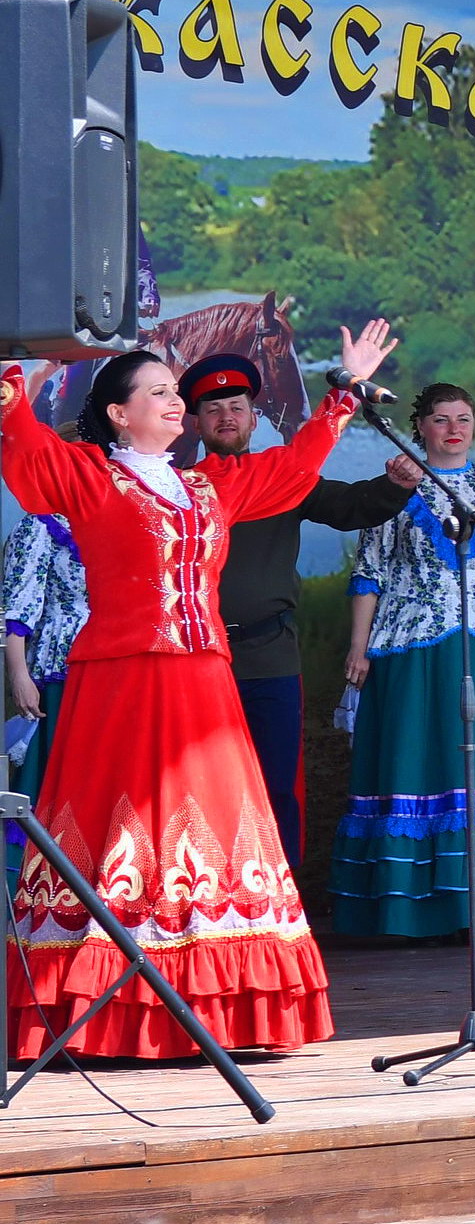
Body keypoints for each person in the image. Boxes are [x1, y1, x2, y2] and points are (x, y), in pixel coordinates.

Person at [0, 321, 393, 1059]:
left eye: (176, 393)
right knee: (120, 831)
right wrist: (23, 366)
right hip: (121, 680)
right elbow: (21, 444)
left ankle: (223, 1013)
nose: (177, 404)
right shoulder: (89, 476)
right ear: (119, 413)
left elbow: (296, 466)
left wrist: (341, 394)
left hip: (204, 683)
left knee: (217, 836)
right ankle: (109, 1011)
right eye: (159, 393)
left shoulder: (208, 484)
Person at [328, 383, 475, 939]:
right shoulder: (399, 481)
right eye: (441, 419)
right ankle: (417, 907)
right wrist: (357, 646)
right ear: (420, 426)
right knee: (425, 759)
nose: (454, 429)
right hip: (415, 643)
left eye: (463, 418)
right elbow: (371, 572)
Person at [182, 351, 420, 870]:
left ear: (252, 416)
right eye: (215, 407)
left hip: (270, 655)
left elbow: (351, 506)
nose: (227, 416)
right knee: (198, 788)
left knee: (277, 786)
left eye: (237, 406)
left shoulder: (280, 476)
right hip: (198, 659)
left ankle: (283, 907)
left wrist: (397, 486)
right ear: (194, 421)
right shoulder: (179, 489)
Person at [3, 505, 84, 885]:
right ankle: (35, 889)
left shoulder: (119, 513)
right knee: (52, 782)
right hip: (61, 670)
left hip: (114, 668)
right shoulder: (43, 526)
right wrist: (19, 673)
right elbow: (18, 606)